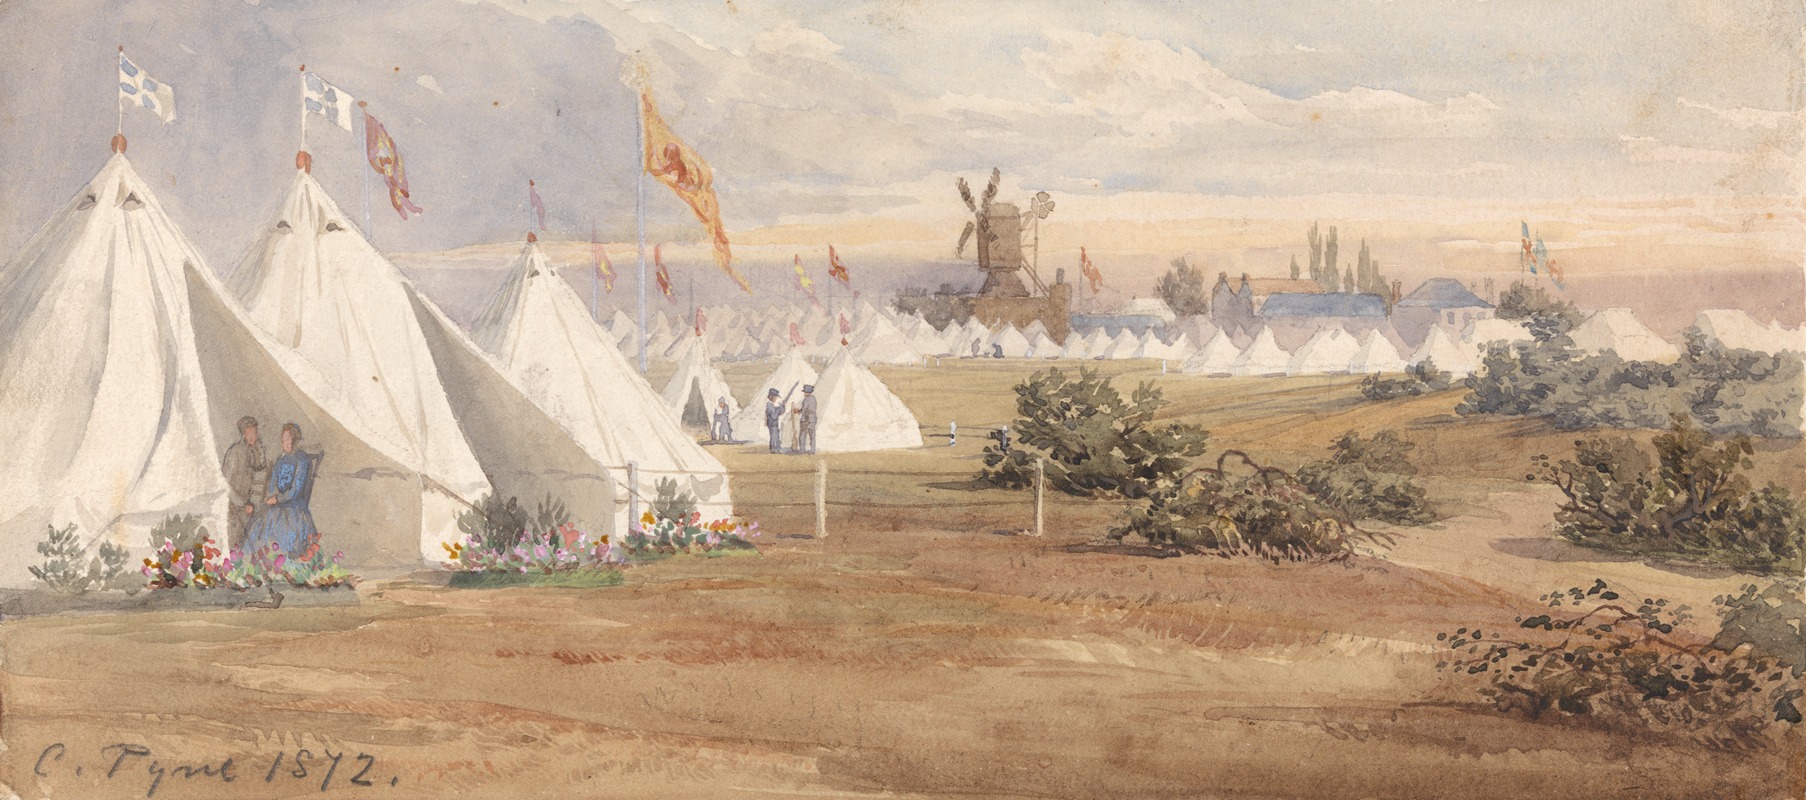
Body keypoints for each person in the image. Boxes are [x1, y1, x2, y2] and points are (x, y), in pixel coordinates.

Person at [244, 422, 318, 559]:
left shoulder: (301, 459)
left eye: (287, 439)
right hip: (277, 503)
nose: (283, 442)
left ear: (294, 440)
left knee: (283, 530)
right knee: (260, 527)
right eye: (282, 439)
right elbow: (273, 483)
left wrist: (279, 498)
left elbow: (296, 489)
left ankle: (284, 560)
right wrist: (272, 496)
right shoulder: (281, 458)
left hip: (294, 506)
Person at [219, 416, 268, 553]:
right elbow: (225, 484)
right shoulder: (234, 452)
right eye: (251, 432)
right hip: (234, 506)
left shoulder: (256, 452)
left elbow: (259, 479)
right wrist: (242, 503)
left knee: (245, 544)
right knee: (231, 542)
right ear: (244, 433)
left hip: (249, 507)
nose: (254, 436)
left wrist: (252, 503)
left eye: (256, 432)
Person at [797, 385, 818, 454]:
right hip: (812, 419)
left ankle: (802, 449)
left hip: (806, 419)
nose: (804, 393)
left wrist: (798, 411)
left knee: (802, 435)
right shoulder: (813, 398)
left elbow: (804, 409)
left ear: (807, 392)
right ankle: (812, 450)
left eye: (805, 392)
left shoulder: (806, 399)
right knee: (812, 435)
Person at [764, 388, 784, 453]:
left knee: (775, 435)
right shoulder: (770, 405)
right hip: (772, 424)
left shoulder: (771, 405)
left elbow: (778, 412)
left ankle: (776, 449)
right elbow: (774, 416)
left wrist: (782, 408)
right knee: (774, 436)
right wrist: (780, 408)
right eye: (775, 396)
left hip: (773, 423)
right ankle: (774, 449)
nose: (776, 398)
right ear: (771, 396)